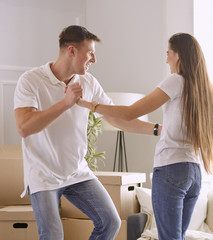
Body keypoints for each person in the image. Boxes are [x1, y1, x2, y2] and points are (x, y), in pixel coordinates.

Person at [77, 32, 213, 240]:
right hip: (193, 173)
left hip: (171, 169)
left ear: (178, 55)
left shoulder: (175, 81)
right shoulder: (206, 90)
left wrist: (91, 105)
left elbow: (130, 113)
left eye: (168, 53)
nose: (166, 59)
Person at [13, 25, 147, 240]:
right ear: (72, 50)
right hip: (43, 174)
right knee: (52, 235)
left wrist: (158, 130)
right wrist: (65, 103)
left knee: (110, 222)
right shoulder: (31, 80)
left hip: (77, 172)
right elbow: (24, 127)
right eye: (90, 52)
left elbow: (116, 118)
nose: (94, 59)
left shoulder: (88, 82)